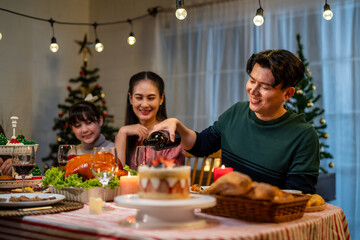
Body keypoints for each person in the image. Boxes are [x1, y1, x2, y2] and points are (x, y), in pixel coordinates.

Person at [151, 49, 320, 194]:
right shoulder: (237, 112)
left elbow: (298, 195)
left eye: (265, 87)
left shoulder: (303, 135)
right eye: (252, 81)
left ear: (288, 93)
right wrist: (177, 125)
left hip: (268, 222)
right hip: (226, 212)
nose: (253, 90)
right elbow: (201, 145)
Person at [115, 71, 185, 169]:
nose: (144, 104)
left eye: (151, 98)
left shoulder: (171, 136)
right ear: (130, 99)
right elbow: (116, 176)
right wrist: (122, 132)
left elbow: (170, 177)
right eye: (139, 98)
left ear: (161, 99)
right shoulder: (125, 134)